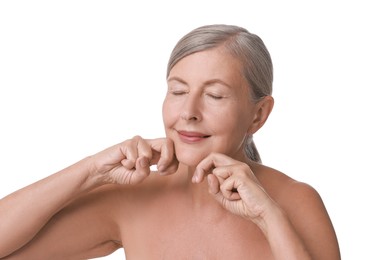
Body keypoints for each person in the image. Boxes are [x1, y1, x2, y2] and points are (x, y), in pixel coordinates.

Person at [0, 24, 341, 260]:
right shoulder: (135, 197)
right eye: (177, 91)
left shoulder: (295, 203)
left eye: (215, 95)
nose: (188, 112)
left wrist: (268, 217)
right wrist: (91, 171)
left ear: (258, 114)